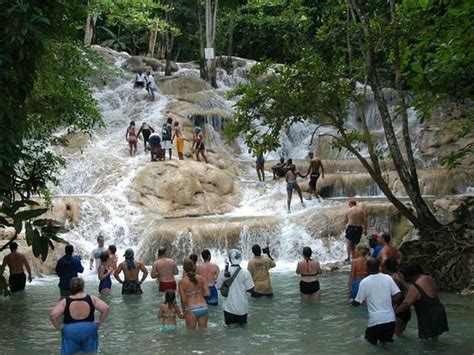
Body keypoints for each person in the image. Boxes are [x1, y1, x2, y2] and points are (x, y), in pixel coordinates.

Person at [50, 277, 109, 355]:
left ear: (70, 287)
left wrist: (59, 326)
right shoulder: (91, 298)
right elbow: (106, 308)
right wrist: (99, 322)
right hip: (89, 328)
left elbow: (53, 315)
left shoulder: (65, 301)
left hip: (70, 330)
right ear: (83, 286)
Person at [352, 258, 401, 346]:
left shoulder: (364, 282)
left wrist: (351, 301)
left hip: (375, 321)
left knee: (370, 344)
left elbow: (357, 302)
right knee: (386, 345)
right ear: (379, 267)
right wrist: (389, 303)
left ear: (367, 268)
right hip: (390, 319)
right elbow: (398, 295)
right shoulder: (388, 278)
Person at [396, 263, 448, 340]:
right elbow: (419, 290)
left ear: (410, 275)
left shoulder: (415, 286)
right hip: (439, 311)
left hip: (428, 315)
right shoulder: (429, 279)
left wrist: (394, 312)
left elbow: (406, 303)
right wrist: (402, 281)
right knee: (434, 339)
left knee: (426, 341)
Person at [216, 249, 254, 327]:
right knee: (243, 330)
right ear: (240, 258)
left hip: (229, 308)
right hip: (242, 308)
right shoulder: (245, 273)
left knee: (230, 330)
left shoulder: (224, 272)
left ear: (230, 259)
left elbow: (218, 287)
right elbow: (250, 289)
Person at [178, 258, 210, 330]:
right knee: (203, 332)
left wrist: (184, 311)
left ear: (183, 268)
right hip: (203, 306)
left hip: (192, 308)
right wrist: (198, 293)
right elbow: (207, 293)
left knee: (191, 335)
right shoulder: (201, 278)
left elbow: (183, 299)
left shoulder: (182, 282)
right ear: (194, 267)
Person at [384, 258, 411, 336]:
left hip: (398, 309)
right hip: (405, 309)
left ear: (386, 268)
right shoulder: (401, 275)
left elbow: (397, 295)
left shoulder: (392, 278)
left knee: (395, 336)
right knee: (400, 336)